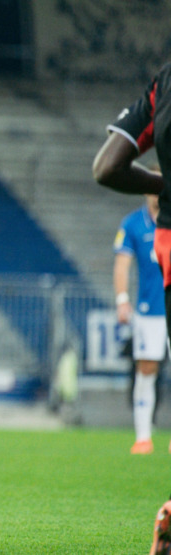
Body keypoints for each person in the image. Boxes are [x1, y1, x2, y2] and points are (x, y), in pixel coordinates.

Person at [113, 179, 168, 455]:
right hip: (149, 311)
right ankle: (143, 437)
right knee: (146, 370)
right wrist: (122, 300)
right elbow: (122, 265)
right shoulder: (133, 224)